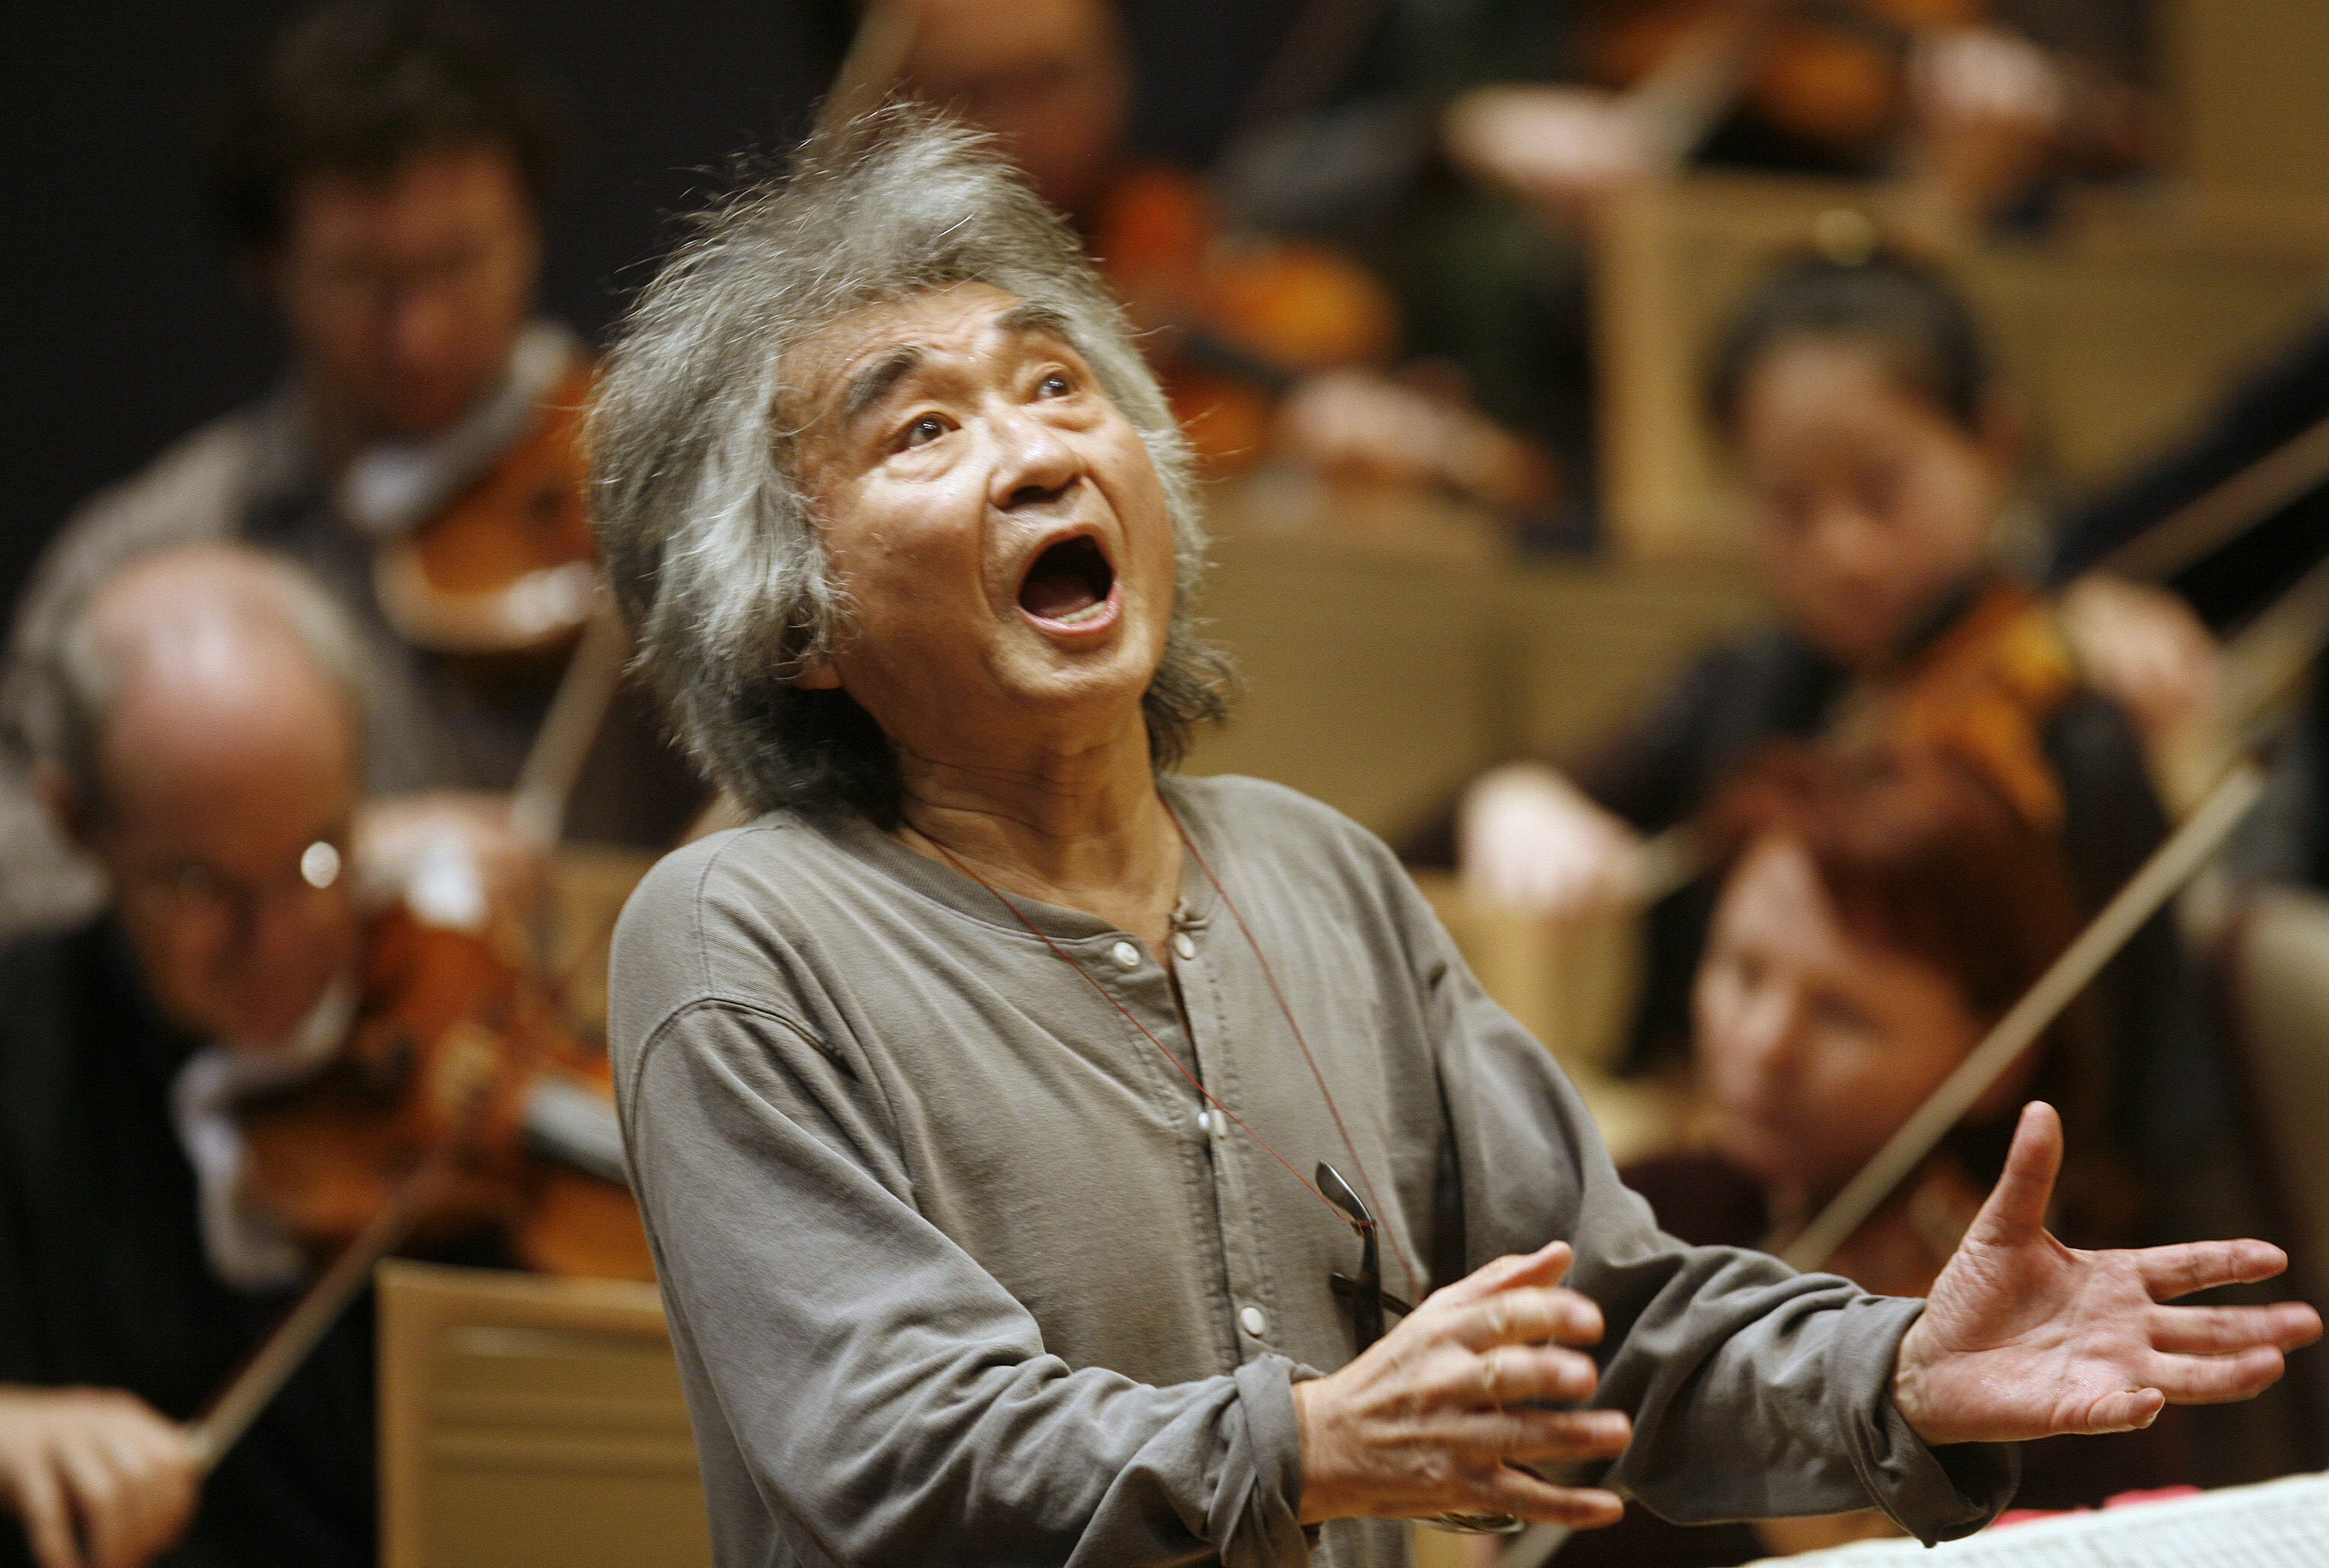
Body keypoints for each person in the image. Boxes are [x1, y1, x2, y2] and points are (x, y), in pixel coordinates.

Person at [585, 106, 2315, 1567]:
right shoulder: (740, 933)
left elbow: (1609, 1324)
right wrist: (1318, 1438)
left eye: (1056, 386)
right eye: (927, 428)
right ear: (792, 614)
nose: (1032, 448)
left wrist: (1893, 1367)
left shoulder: (1318, 873)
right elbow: (898, 1456)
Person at [1425, 252, 2231, 1230]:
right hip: (1744, 1204)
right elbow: (1430, 833)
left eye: (1880, 489)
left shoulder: (2073, 729)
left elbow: (2156, 1102)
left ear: (1992, 440)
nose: (1840, 546)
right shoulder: (1756, 677)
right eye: (1787, 505)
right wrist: (1516, 792)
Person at [0, 0, 697, 946]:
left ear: (529, 226)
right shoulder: (161, 546)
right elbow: (19, 859)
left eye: (460, 261)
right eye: (360, 280)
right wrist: (321, 855)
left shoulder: (669, 473)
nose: (421, 332)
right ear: (267, 269)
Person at [1559, 745, 2184, 1566]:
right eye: (1741, 971)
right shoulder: (1642, 1216)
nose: (1761, 1044)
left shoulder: (2057, 1346)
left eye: (1842, 1015)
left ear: (1995, 1058)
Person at [0, 547, 384, 1568]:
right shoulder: (21, 1048)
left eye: (318, 857)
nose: (280, 943)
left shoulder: (440, 1038)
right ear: (77, 823)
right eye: (199, 888)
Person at [884, 0, 1557, 516]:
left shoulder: (1183, 230)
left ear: (1116, 71)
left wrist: (1303, 478)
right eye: (973, 90)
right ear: (901, 103)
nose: (1021, 125)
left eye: (1050, 79)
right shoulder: (883, 307)